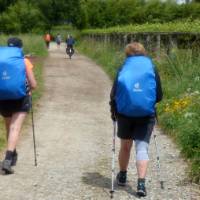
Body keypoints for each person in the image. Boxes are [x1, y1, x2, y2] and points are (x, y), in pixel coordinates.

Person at [109, 42, 163, 197]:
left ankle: (123, 175)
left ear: (127, 54)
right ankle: (141, 184)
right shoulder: (152, 68)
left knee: (125, 146)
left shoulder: (122, 68)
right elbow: (159, 95)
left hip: (125, 114)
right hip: (146, 114)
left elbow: (114, 94)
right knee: (142, 148)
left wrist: (113, 110)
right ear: (143, 53)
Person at [0, 37, 37, 174]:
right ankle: (8, 159)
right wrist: (29, 89)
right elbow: (33, 84)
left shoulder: (1, 61)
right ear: (19, 48)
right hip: (20, 98)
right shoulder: (24, 61)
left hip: (2, 98)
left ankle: (12, 154)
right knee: (15, 128)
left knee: (9, 126)